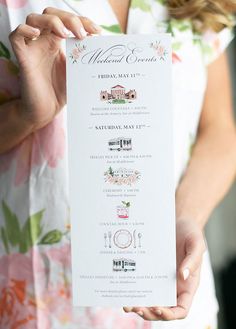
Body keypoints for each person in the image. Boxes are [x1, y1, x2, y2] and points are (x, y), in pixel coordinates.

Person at [0, 0, 236, 328]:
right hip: (40, 302)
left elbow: (220, 130)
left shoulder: (197, 2)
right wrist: (28, 114)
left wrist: (183, 218)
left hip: (170, 293)